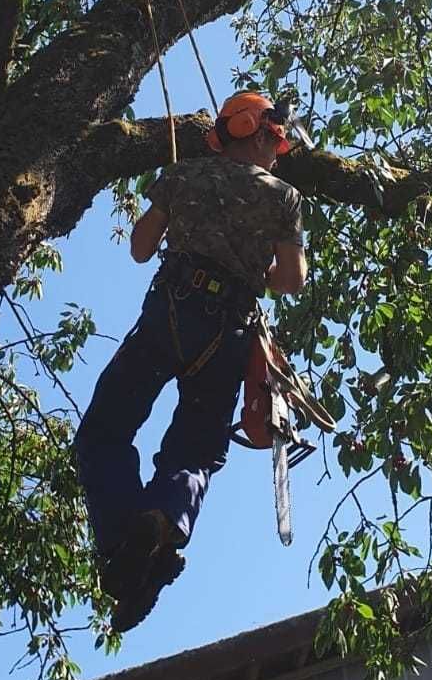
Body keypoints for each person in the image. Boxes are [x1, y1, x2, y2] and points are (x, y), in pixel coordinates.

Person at [74, 91, 308, 632]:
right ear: (255, 129)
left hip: (166, 315)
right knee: (195, 452)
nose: (278, 152)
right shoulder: (285, 196)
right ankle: (161, 522)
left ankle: (120, 543)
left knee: (103, 434)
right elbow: (291, 279)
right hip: (228, 330)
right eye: (274, 141)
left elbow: (139, 246)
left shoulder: (184, 175)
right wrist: (252, 275)